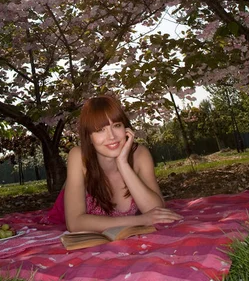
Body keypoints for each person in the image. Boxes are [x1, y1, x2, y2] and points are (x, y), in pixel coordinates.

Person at [63, 95, 182, 232]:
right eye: (100, 130)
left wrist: (123, 164)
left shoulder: (140, 154)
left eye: (116, 125)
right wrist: (141, 220)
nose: (112, 136)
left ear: (126, 129)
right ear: (88, 137)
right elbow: (74, 223)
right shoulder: (78, 157)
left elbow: (157, 211)